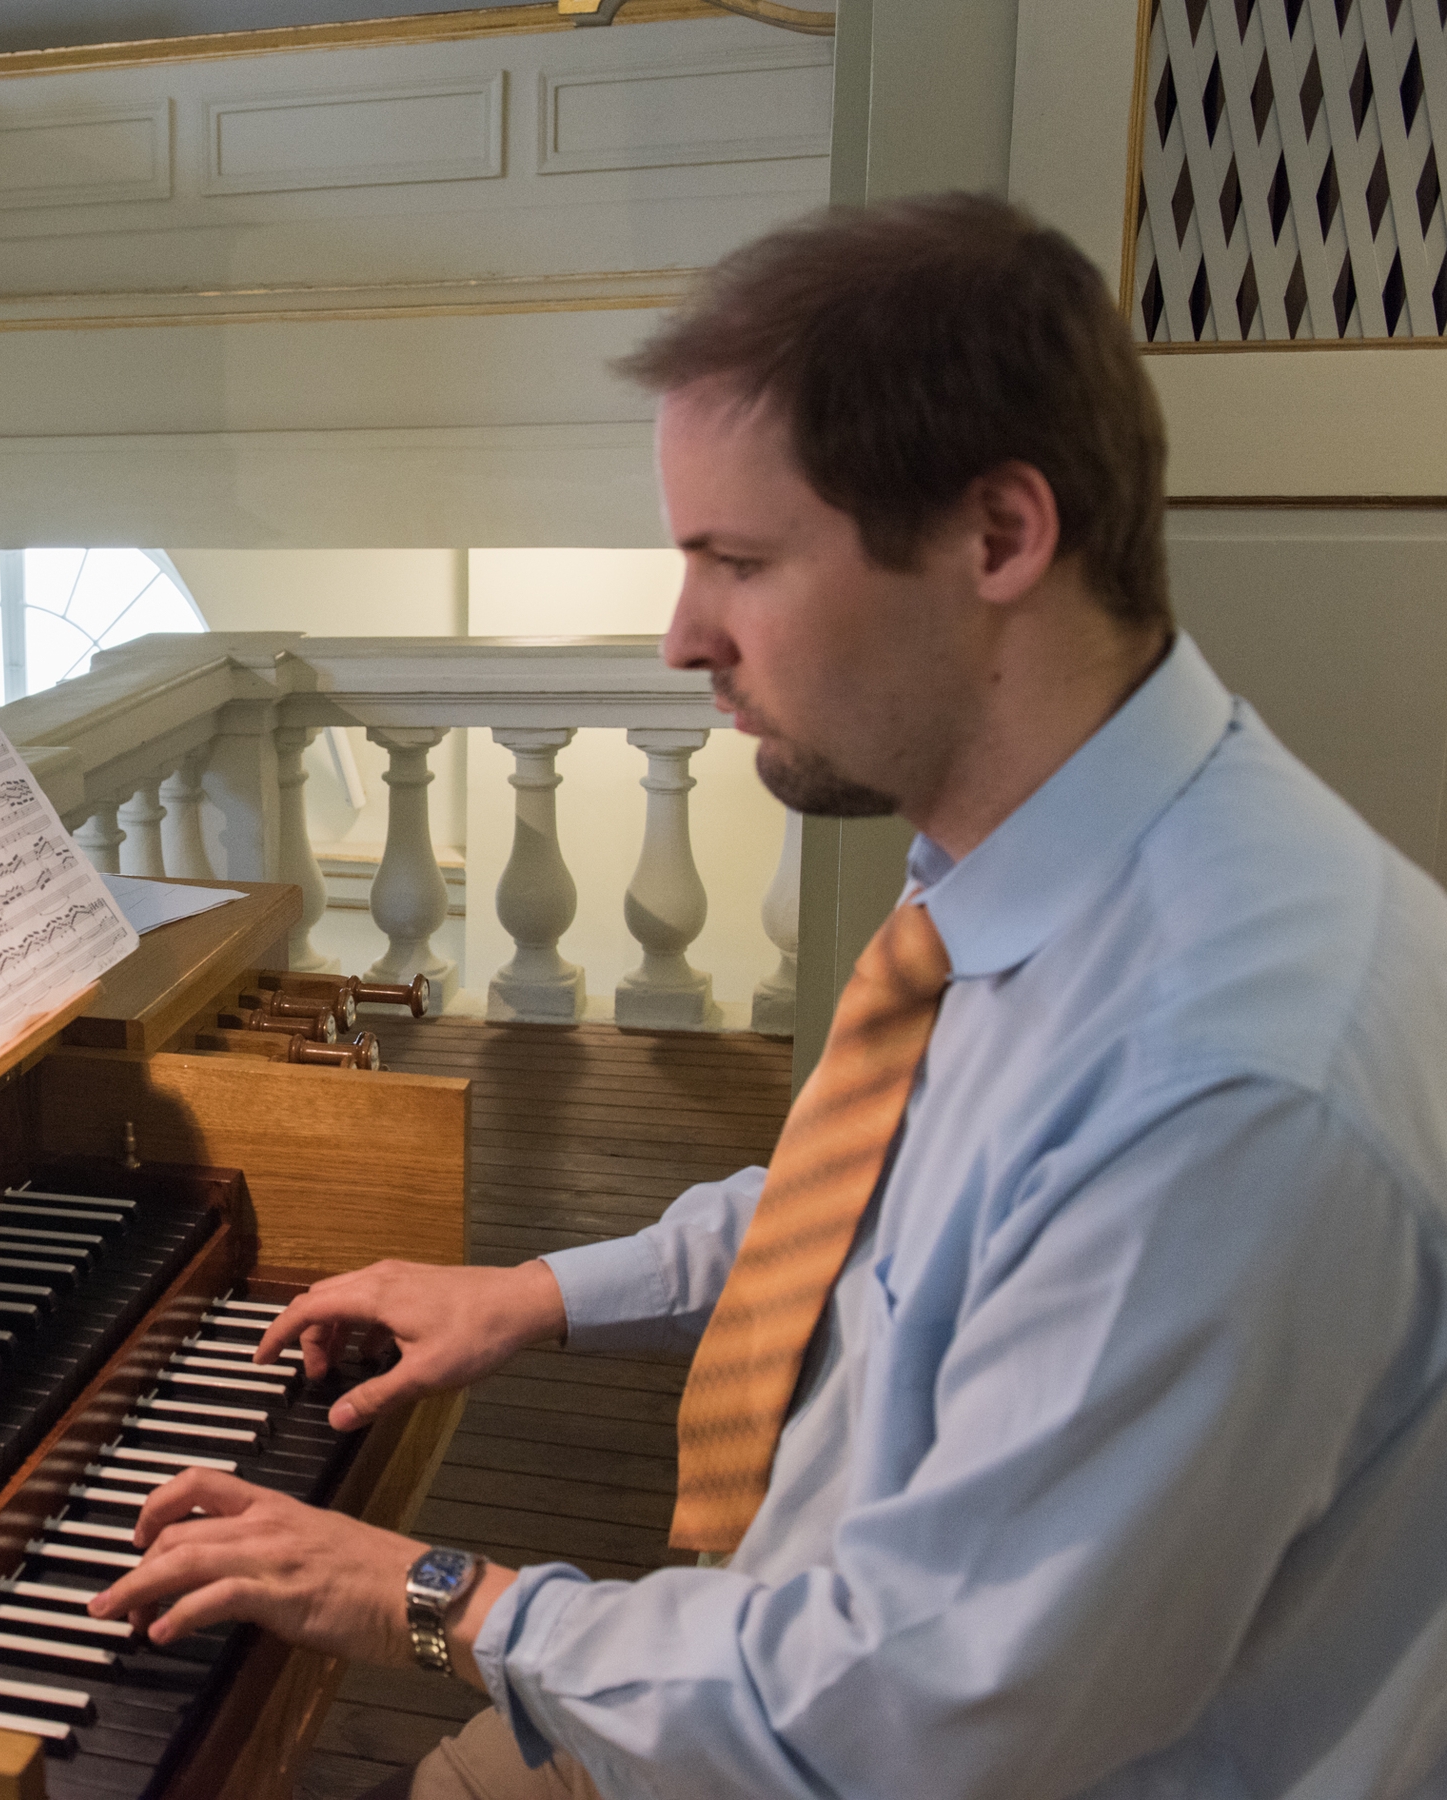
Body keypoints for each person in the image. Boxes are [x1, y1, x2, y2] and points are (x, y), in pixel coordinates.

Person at [86, 193, 1447, 1797]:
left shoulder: (1217, 1087)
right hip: (794, 1655)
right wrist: (532, 1295)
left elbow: (918, 1715)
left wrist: (437, 1598)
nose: (681, 639)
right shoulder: (1051, 866)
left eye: (737, 563)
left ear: (997, 537)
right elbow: (879, 1212)